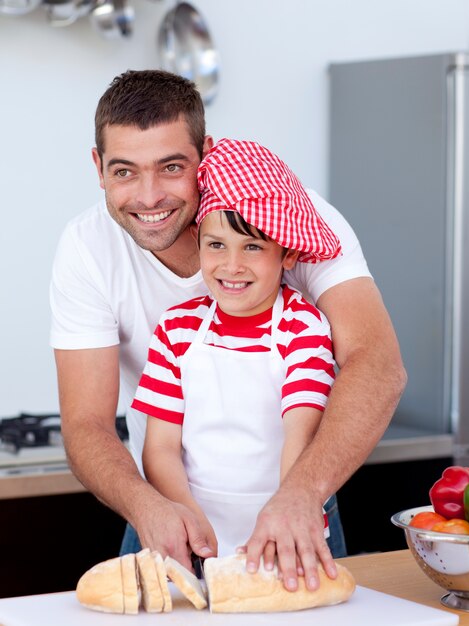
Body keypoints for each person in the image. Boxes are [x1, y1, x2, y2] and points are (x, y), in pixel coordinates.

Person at [50, 69, 406, 593]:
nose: (149, 197)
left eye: (171, 167)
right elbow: (86, 423)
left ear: (206, 156)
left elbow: (377, 363)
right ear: (98, 167)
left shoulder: (289, 216)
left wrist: (300, 495)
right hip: (165, 513)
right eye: (125, 171)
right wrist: (153, 506)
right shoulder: (87, 248)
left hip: (298, 507)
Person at [133, 138, 341, 559]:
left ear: (288, 252)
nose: (231, 266)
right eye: (216, 245)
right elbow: (159, 448)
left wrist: (281, 527)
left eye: (252, 246)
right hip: (192, 532)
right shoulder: (177, 329)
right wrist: (190, 522)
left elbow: (301, 437)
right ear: (198, 243)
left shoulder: (303, 328)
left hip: (284, 532)